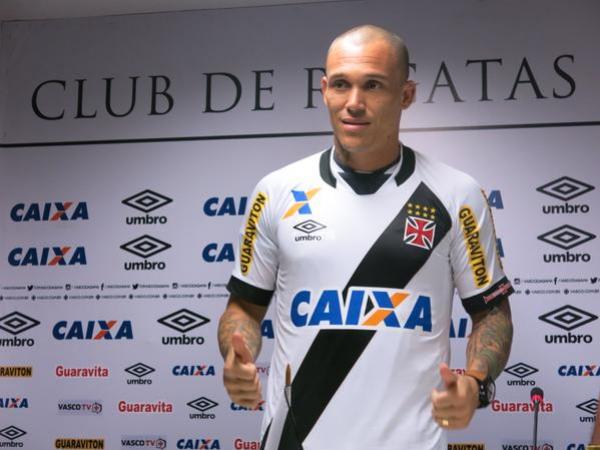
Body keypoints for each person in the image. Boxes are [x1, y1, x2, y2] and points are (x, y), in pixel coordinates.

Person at [218, 24, 514, 450]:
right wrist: (236, 355)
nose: (353, 103)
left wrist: (476, 382)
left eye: (373, 85)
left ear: (406, 95)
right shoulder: (276, 191)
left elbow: (492, 312)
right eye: (341, 84)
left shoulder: (457, 194)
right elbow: (244, 307)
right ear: (324, 90)